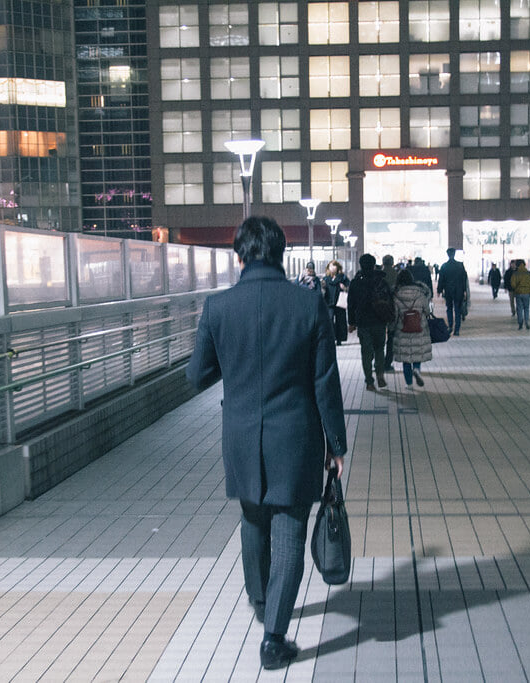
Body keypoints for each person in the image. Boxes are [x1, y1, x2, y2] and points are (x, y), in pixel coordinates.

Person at [186, 216, 347, 670]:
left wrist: (234, 366)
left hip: (240, 438)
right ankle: (274, 638)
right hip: (295, 439)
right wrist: (336, 444)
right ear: (280, 253)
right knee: (290, 532)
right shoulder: (308, 304)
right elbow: (325, 383)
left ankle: (261, 603)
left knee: (252, 519)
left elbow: (196, 376)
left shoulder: (218, 307)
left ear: (239, 256)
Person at [347, 253, 391, 390]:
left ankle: (369, 381)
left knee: (366, 352)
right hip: (379, 320)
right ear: (373, 265)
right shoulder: (381, 281)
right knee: (379, 349)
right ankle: (380, 375)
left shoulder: (355, 283)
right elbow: (389, 300)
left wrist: (352, 322)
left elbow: (350, 304)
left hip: (363, 322)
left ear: (360, 265)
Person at [391, 269, 432, 389]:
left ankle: (409, 384)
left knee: (406, 358)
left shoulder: (396, 294)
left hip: (403, 328)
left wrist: (392, 328)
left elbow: (395, 315)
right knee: (417, 353)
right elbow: (427, 311)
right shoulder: (420, 293)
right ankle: (417, 370)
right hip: (419, 327)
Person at [436, 247, 468, 336]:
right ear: (454, 254)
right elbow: (464, 278)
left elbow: (441, 279)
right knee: (457, 309)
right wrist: (464, 290)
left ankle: (450, 326)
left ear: (447, 255)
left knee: (449, 308)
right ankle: (457, 329)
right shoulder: (460, 265)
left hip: (448, 291)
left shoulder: (444, 266)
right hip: (459, 291)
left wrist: (439, 290)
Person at [322, 260, 350, 345]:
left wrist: (344, 288)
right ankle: (331, 338)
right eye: (331, 266)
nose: (332, 267)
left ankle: (339, 339)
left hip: (340, 302)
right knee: (329, 319)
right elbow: (322, 289)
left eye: (334, 266)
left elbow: (349, 287)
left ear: (338, 267)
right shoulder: (326, 278)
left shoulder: (342, 277)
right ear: (328, 268)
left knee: (340, 321)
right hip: (329, 302)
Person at [510, 260, 530, 330]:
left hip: (518, 293)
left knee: (519, 308)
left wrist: (516, 288)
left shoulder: (515, 274)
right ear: (524, 264)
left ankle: (520, 322)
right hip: (527, 293)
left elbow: (512, 284)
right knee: (526, 308)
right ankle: (526, 321)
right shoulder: (529, 273)